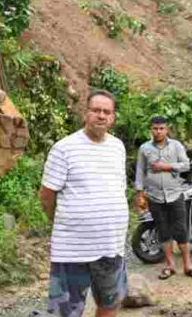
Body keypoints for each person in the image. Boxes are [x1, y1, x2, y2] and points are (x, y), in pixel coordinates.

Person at [39, 90, 128, 317]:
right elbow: (46, 195)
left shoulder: (118, 147)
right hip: (72, 249)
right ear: (85, 114)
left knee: (110, 303)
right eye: (96, 110)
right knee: (65, 311)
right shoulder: (64, 148)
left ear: (113, 117)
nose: (101, 116)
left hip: (111, 245)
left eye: (106, 112)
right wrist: (59, 221)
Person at [134, 116, 192, 280]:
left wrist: (167, 166)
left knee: (181, 230)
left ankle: (188, 265)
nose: (158, 131)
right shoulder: (144, 148)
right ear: (151, 129)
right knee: (163, 230)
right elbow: (140, 171)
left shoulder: (176, 146)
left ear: (167, 129)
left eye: (161, 128)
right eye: (155, 128)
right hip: (154, 196)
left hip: (175, 194)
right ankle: (170, 265)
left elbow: (186, 165)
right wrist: (139, 193)